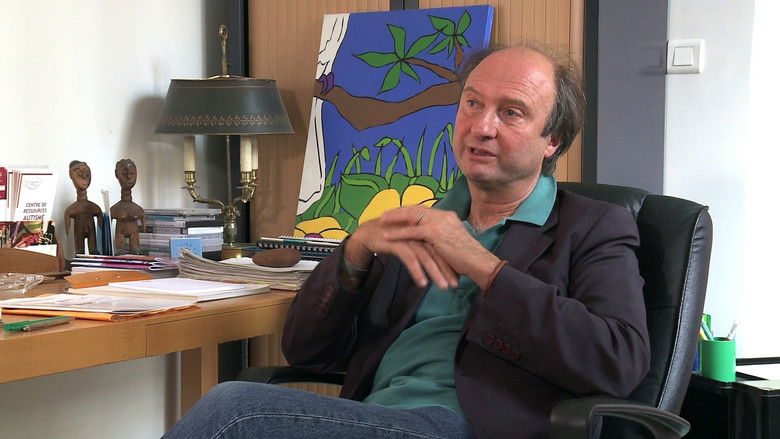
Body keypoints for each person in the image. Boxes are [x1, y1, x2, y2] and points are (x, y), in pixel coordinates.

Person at [163, 43, 650, 439]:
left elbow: (618, 360)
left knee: (235, 409)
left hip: (476, 426)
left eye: (511, 112)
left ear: (553, 140)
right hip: (379, 418)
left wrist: (480, 263)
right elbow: (308, 354)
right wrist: (353, 254)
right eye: (473, 103)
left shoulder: (592, 226)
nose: (482, 127)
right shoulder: (422, 219)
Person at [64, 160, 103, 254]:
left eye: (86, 172)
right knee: (79, 251)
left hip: (90, 230)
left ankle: (91, 253)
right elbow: (68, 214)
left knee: (93, 250)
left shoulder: (92, 207)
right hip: (79, 232)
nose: (84, 176)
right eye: (78, 173)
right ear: (71, 175)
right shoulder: (73, 209)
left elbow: (99, 214)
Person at [111, 158, 145, 254]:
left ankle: (134, 249)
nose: (129, 176)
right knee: (119, 250)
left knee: (135, 249)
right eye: (124, 173)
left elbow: (143, 225)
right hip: (120, 235)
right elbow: (106, 225)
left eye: (132, 172)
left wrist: (143, 223)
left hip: (134, 234)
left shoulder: (138, 209)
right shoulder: (115, 209)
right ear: (116, 174)